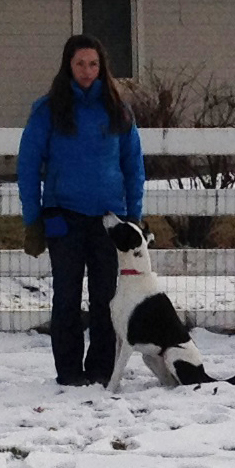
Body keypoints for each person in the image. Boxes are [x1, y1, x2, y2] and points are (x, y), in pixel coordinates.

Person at [18, 36, 146, 386]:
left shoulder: (119, 110)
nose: (87, 71)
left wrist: (134, 217)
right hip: (63, 218)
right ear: (68, 66)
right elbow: (28, 166)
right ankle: (69, 372)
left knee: (106, 299)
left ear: (102, 67)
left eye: (93, 64)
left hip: (109, 221)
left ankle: (102, 370)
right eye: (80, 64)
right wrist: (32, 219)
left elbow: (133, 166)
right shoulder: (48, 110)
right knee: (67, 297)